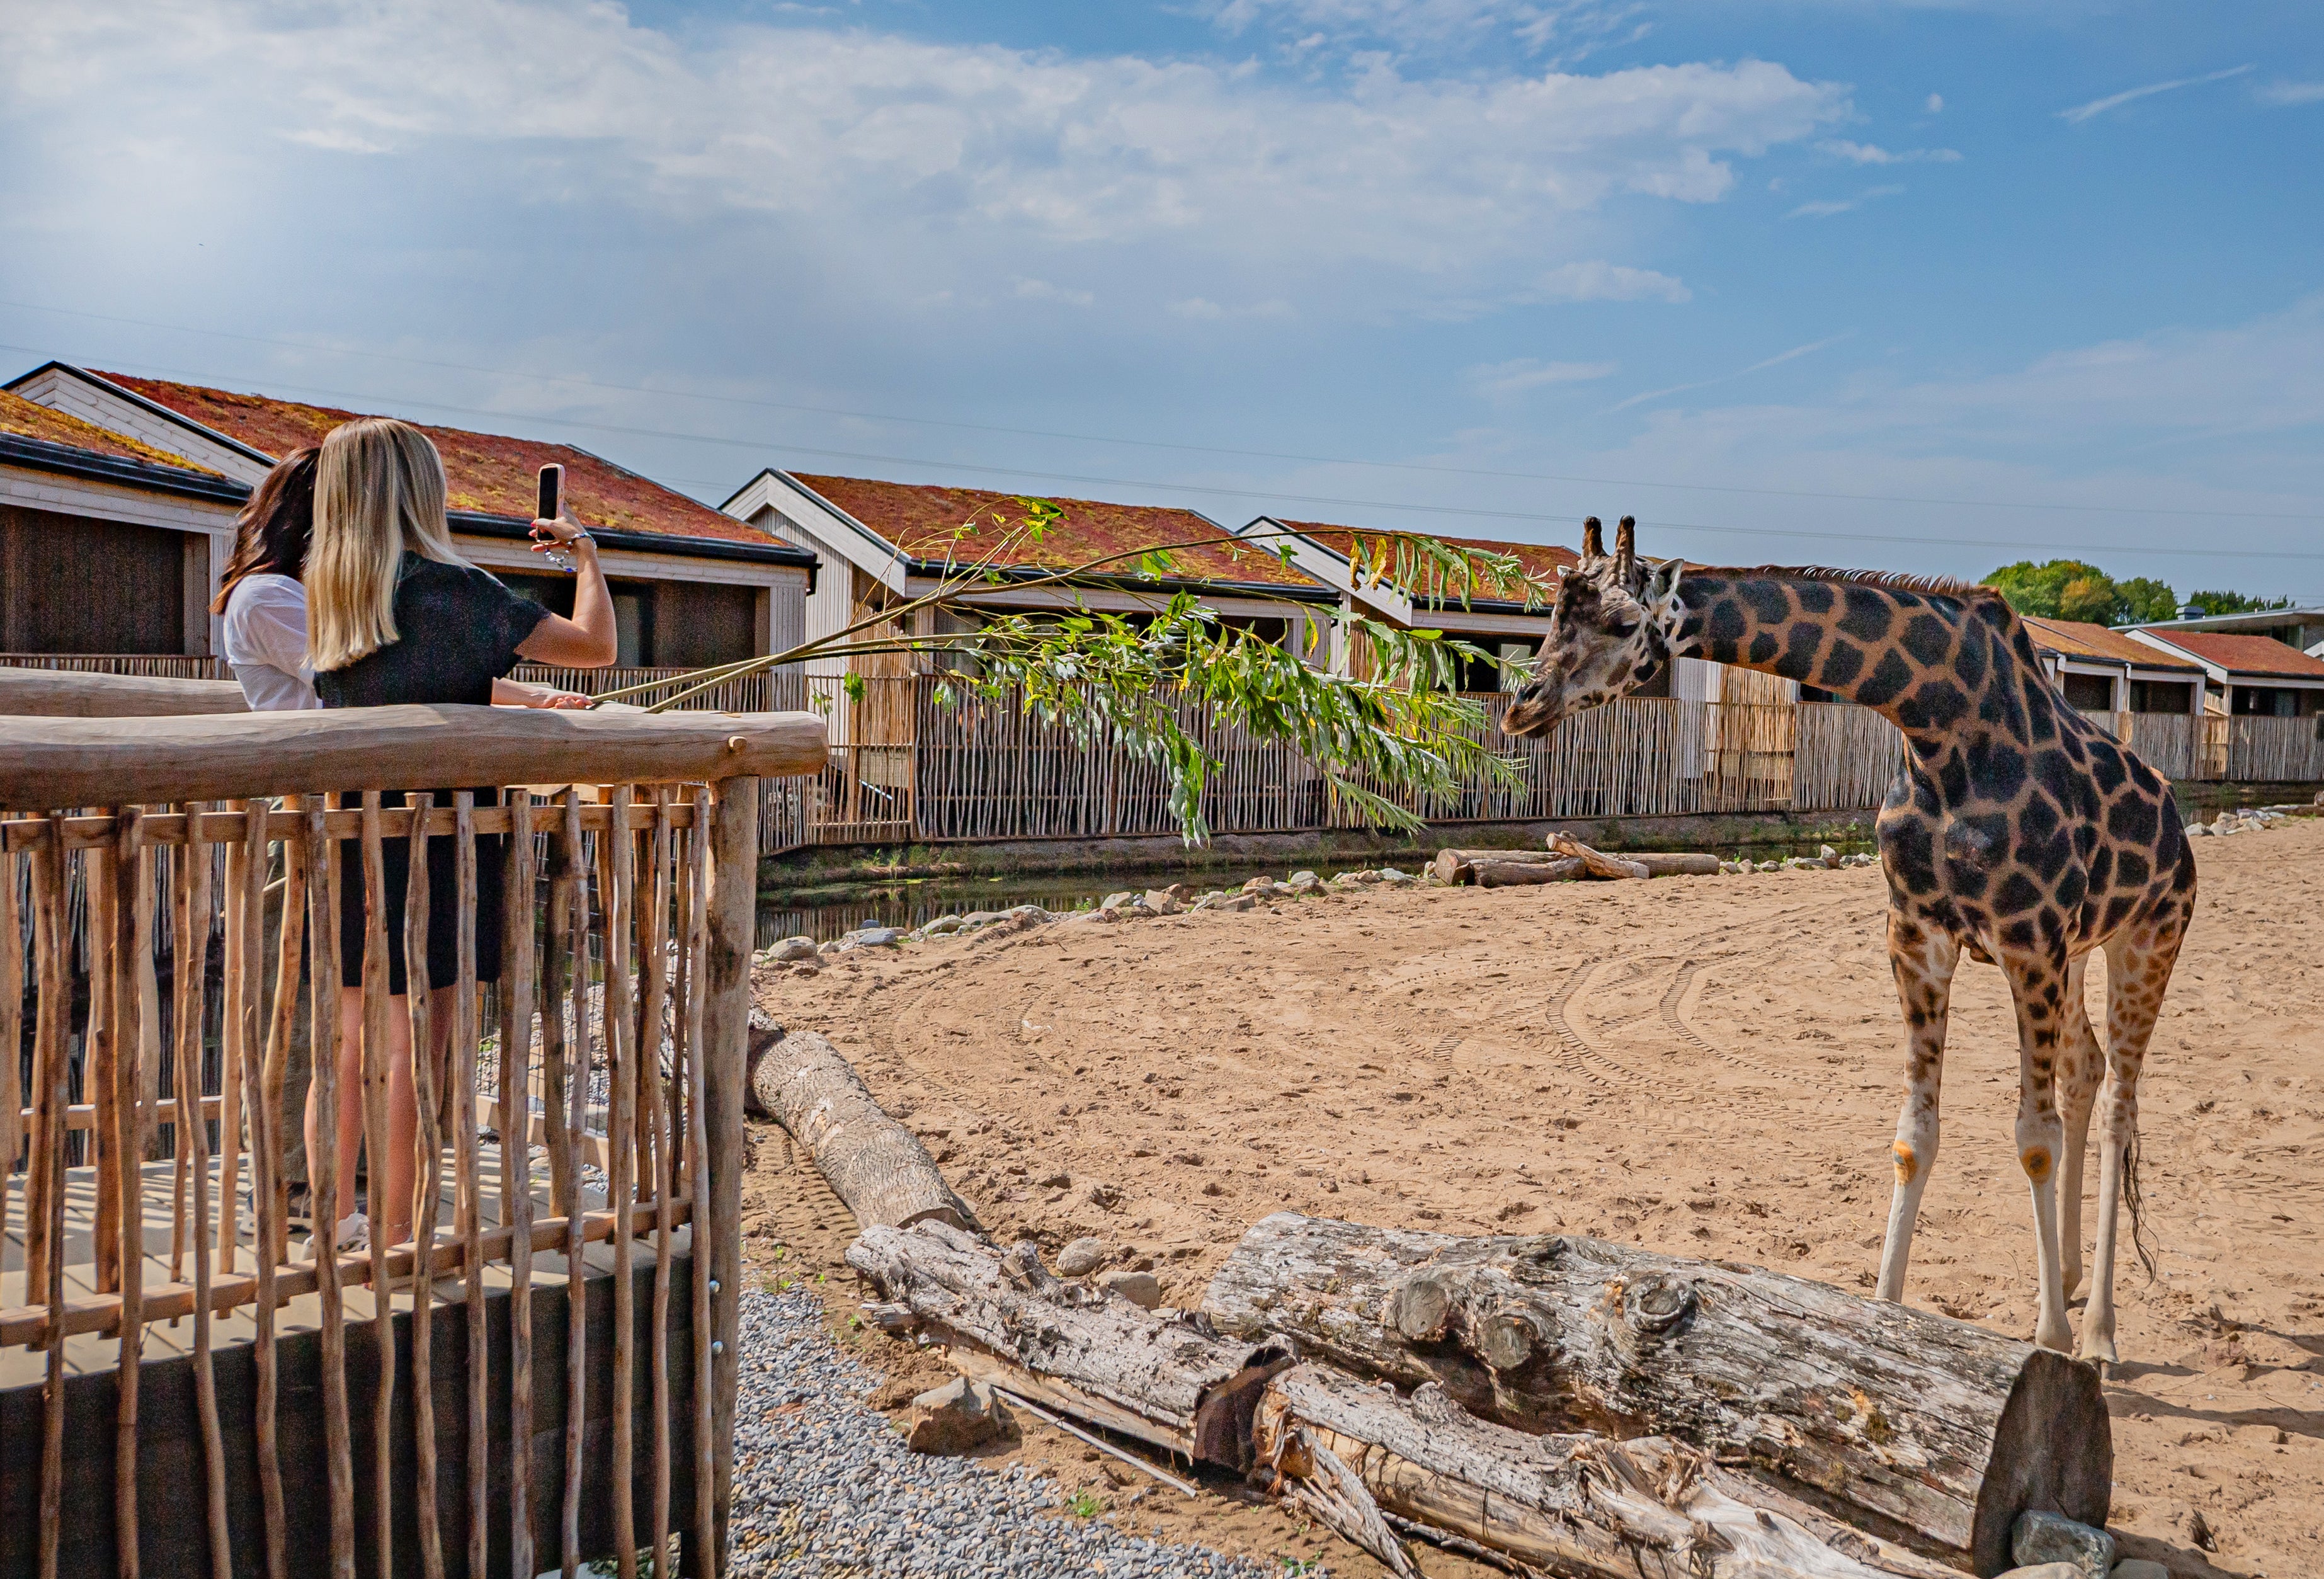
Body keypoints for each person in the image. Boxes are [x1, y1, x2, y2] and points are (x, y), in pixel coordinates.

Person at [300, 416, 617, 1260]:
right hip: (443, 839)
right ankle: (401, 1232)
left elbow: (426, 686)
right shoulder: (457, 590)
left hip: (355, 833)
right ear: (418, 490)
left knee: (353, 1034)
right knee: (420, 1043)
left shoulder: (334, 592)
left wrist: (520, 700)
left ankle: (336, 1221)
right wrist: (582, 552)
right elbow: (595, 645)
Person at [216, 445, 593, 713]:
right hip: (321, 796)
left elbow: (406, 674)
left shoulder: (300, 592)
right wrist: (585, 549)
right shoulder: (264, 595)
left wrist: (536, 698)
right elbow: (381, 677)